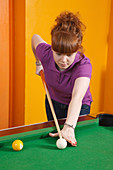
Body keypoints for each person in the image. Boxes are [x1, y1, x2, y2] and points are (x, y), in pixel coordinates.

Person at [31, 11, 93, 147]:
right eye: (58, 53)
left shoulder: (83, 65)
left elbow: (77, 98)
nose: (63, 60)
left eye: (69, 55)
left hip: (79, 108)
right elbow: (35, 38)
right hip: (52, 101)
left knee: (71, 141)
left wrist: (70, 125)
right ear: (52, 48)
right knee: (55, 138)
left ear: (77, 50)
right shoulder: (46, 53)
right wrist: (38, 63)